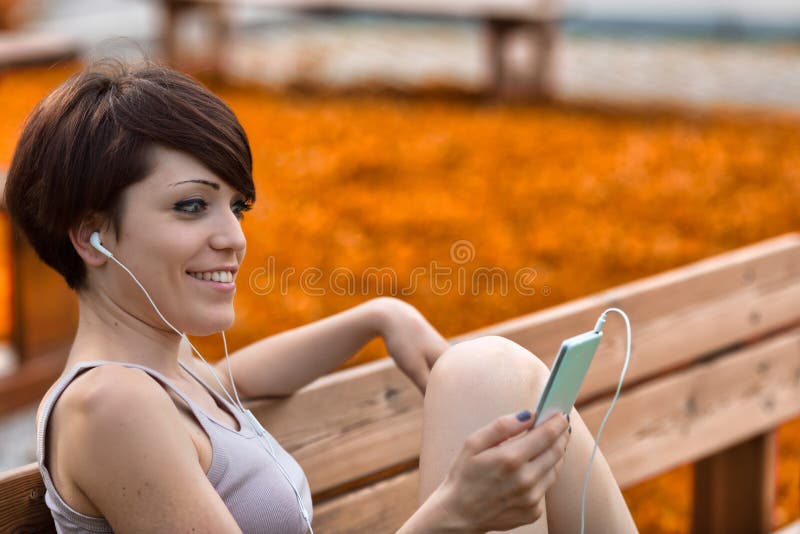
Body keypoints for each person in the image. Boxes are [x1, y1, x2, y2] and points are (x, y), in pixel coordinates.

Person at [4, 57, 637, 533]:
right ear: (91, 236)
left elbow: (237, 380)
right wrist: (454, 514)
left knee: (487, 371)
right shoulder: (111, 404)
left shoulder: (169, 375)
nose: (232, 239)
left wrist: (376, 316)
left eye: (237, 208)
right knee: (484, 371)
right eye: (192, 206)